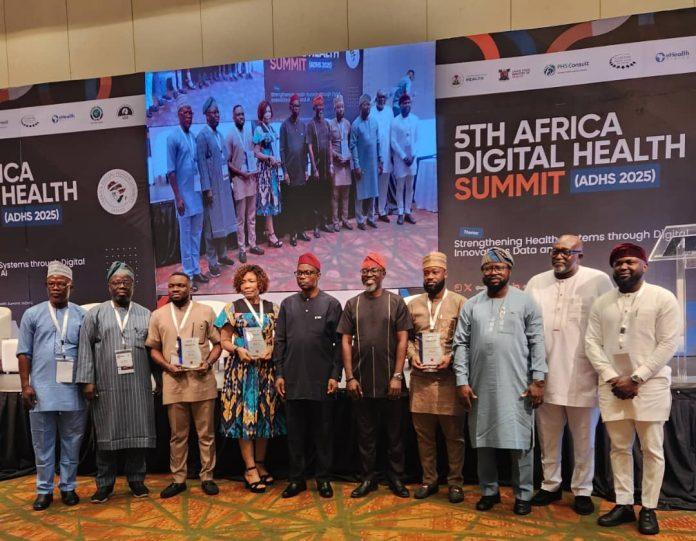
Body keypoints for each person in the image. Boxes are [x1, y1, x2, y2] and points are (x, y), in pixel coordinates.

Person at [585, 243, 681, 536]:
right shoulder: (602, 303)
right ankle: (624, 503)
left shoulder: (662, 298)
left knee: (651, 449)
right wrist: (613, 377)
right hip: (613, 386)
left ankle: (649, 507)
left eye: (630, 262)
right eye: (618, 263)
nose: (624, 267)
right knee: (619, 448)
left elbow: (668, 343)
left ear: (644, 265)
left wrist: (637, 377)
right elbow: (591, 343)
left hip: (650, 386)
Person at [452, 247, 547, 516]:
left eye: (499, 267)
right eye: (488, 268)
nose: (493, 272)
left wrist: (538, 379)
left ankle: (523, 494)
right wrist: (461, 380)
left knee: (521, 442)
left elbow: (538, 341)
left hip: (518, 385)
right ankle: (489, 491)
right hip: (479, 385)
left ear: (509, 270)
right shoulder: (472, 305)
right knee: (483, 441)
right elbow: (460, 344)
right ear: (482, 273)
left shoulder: (526, 302)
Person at [525, 235, 613, 515]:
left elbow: (608, 327)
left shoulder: (598, 280)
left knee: (584, 440)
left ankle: (582, 490)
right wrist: (533, 375)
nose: (559, 256)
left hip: (583, 375)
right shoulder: (536, 282)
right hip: (544, 376)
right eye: (555, 251)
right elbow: (526, 329)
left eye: (566, 251)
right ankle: (550, 485)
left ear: (580, 255)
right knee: (548, 437)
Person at [76, 262, 156, 503]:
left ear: (133, 285)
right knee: (106, 436)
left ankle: (136, 480)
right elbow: (85, 348)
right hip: (106, 386)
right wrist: (87, 381)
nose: (121, 286)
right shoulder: (95, 314)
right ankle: (104, 484)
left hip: (138, 385)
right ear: (108, 286)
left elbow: (154, 350)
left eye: (126, 282)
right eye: (116, 282)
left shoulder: (145, 314)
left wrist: (160, 380)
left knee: (138, 433)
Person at [338, 252, 413, 499]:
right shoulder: (353, 304)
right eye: (365, 271)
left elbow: (403, 340)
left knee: (395, 435)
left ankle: (396, 477)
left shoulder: (396, 302)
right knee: (365, 436)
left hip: (391, 381)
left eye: (373, 270)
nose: (368, 275)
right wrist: (350, 377)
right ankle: (367, 478)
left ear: (383, 274)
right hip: (361, 382)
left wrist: (397, 376)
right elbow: (345, 341)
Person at [17, 261, 87, 511]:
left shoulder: (82, 315)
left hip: (73, 390)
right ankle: (44, 490)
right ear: (46, 286)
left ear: (71, 286)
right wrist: (25, 385)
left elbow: (89, 353)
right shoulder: (32, 314)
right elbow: (23, 353)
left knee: (72, 441)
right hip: (41, 390)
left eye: (61, 283)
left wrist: (88, 382)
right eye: (51, 283)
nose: (56, 287)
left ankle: (68, 487)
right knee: (42, 444)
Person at [146, 272, 222, 499]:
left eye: (180, 285)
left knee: (206, 435)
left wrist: (208, 363)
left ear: (190, 288)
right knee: (177, 436)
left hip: (202, 381)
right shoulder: (158, 315)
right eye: (171, 286)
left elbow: (218, 344)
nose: (175, 289)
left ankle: (207, 477)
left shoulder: (206, 311)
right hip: (174, 382)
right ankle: (178, 479)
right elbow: (153, 349)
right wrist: (167, 366)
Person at [274, 253, 343, 499]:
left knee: (323, 434)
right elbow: (280, 341)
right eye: (299, 273)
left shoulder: (331, 304)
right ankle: (297, 480)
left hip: (322, 381)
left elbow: (339, 344)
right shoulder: (287, 304)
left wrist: (335, 374)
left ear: (318, 275)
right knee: (295, 435)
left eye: (308, 273)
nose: (303, 277)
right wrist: (279, 373)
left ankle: (323, 480)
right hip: (292, 381)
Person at [216, 264, 285, 493]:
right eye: (243, 282)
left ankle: (261, 463)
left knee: (264, 416)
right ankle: (250, 468)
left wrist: (272, 350)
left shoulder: (273, 308)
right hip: (242, 371)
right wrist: (238, 350)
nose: (247, 285)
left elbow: (280, 338)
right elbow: (224, 340)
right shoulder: (232, 308)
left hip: (266, 370)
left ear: (260, 283)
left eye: (251, 281)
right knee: (245, 417)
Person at [407, 252, 467, 504]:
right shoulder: (413, 305)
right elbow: (406, 339)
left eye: (435, 272)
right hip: (420, 381)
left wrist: (451, 356)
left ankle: (455, 483)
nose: (430, 277)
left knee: (454, 437)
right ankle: (429, 480)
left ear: (445, 273)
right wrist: (412, 356)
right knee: (424, 437)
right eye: (426, 273)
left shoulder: (461, 302)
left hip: (449, 381)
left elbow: (466, 340)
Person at [167, 96, 207, 288]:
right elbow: (171, 172)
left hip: (197, 194)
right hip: (183, 197)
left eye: (191, 112)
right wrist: (178, 197)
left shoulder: (193, 137)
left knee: (196, 234)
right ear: (178, 115)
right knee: (186, 236)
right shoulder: (173, 138)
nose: (189, 116)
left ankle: (196, 270)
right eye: (185, 112)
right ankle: (188, 275)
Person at [196, 97, 236, 278]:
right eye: (213, 112)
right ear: (206, 115)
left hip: (224, 185)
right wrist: (207, 189)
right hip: (212, 188)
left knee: (223, 221)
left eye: (218, 112)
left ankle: (223, 255)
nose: (216, 115)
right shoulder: (202, 137)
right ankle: (212, 262)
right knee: (211, 227)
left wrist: (230, 182)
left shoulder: (219, 135)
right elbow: (202, 165)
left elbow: (224, 160)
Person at [227, 104, 264, 263]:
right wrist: (241, 173)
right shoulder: (230, 135)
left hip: (251, 179)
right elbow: (228, 162)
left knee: (251, 215)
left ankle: (253, 244)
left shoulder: (250, 132)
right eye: (238, 114)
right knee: (240, 218)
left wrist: (254, 170)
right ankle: (242, 249)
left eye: (242, 114)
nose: (241, 117)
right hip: (239, 179)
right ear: (233, 117)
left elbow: (254, 154)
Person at [280, 94, 311, 246]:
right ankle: (292, 233)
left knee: (302, 203)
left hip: (301, 172)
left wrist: (306, 169)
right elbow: (282, 150)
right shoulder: (284, 126)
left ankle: (301, 231)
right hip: (290, 173)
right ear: (290, 107)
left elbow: (305, 150)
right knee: (292, 205)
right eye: (294, 106)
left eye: (298, 106)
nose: (296, 108)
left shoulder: (303, 126)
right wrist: (285, 171)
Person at [254, 100, 283, 249]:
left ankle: (269, 232)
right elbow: (256, 152)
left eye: (269, 111)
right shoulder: (259, 129)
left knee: (272, 201)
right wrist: (268, 158)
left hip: (273, 170)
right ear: (261, 113)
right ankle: (271, 234)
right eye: (265, 111)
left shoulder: (271, 128)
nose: (268, 114)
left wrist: (276, 159)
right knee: (267, 202)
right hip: (265, 171)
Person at [350, 94, 381, 231]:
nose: (367, 107)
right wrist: (356, 165)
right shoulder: (355, 124)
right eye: (364, 104)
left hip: (373, 163)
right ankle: (360, 220)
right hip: (361, 164)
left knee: (373, 191)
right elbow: (353, 146)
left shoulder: (374, 122)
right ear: (360, 107)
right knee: (360, 193)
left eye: (368, 104)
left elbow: (378, 142)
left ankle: (371, 218)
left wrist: (380, 161)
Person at [306, 94, 334, 236]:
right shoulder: (311, 125)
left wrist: (331, 164)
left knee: (326, 195)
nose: (320, 109)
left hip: (326, 167)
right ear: (314, 108)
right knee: (317, 196)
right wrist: (314, 168)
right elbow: (309, 147)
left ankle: (324, 223)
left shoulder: (327, 124)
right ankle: (316, 226)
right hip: (317, 167)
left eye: (322, 106)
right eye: (318, 107)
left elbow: (329, 144)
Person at [390, 94, 419, 225]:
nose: (407, 105)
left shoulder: (415, 119)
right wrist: (403, 156)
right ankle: (400, 213)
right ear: (400, 105)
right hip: (400, 160)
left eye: (409, 103)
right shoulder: (395, 121)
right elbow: (393, 142)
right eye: (404, 103)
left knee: (410, 187)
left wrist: (413, 155)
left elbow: (418, 140)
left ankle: (408, 212)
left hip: (412, 159)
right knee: (400, 187)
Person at [328, 95, 353, 232]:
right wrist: (336, 156)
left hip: (346, 164)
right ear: (334, 108)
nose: (340, 109)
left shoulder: (348, 124)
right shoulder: (330, 124)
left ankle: (345, 219)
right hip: (337, 163)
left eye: (342, 107)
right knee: (335, 195)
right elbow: (329, 145)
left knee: (346, 194)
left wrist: (348, 157)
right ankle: (335, 221)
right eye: (338, 107)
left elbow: (350, 144)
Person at [372, 89, 393, 222]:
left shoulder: (390, 111)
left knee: (384, 183)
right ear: (376, 98)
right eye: (379, 97)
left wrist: (393, 154)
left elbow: (392, 132)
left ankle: (381, 211)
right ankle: (371, 212)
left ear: (386, 99)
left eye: (383, 97)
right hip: (373, 155)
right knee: (373, 184)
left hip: (387, 153)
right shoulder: (371, 111)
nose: (381, 100)